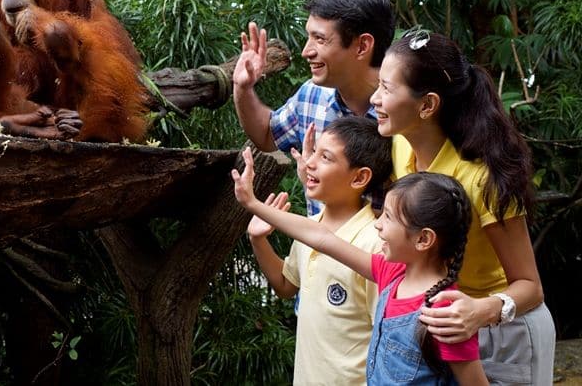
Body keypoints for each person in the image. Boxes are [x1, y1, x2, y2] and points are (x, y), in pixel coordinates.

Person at [370, 29, 555, 384]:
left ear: (427, 105)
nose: (375, 99)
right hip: (452, 325)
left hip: (507, 331)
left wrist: (480, 311)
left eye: (387, 89)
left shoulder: (480, 179)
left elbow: (530, 287)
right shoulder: (401, 146)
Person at [235, 157, 491, 385]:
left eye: (388, 217)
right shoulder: (392, 273)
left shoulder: (445, 315)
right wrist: (253, 204)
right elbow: (321, 237)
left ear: (423, 239)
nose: (377, 225)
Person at [246, 116, 392, 385]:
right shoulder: (308, 229)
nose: (309, 163)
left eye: (325, 157)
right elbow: (286, 285)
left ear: (360, 177)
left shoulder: (373, 245)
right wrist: (258, 241)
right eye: (313, 152)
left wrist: (252, 202)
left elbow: (387, 338)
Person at [233, 0, 395, 214]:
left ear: (362, 46)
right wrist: (243, 88)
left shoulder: (409, 110)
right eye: (309, 37)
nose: (306, 51)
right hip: (317, 248)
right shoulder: (311, 94)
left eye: (320, 39)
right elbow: (267, 135)